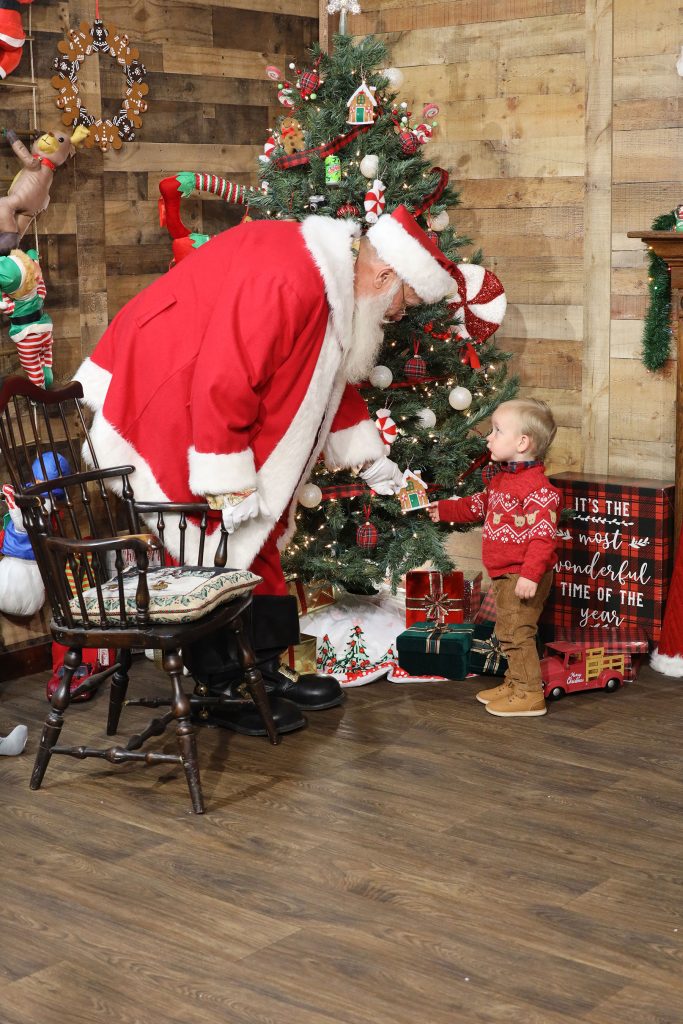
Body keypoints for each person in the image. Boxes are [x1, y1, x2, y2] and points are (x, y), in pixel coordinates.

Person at [74, 205, 457, 733]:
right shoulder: (290, 276)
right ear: (386, 274)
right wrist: (226, 481)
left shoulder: (335, 281)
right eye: (406, 300)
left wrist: (370, 460)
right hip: (167, 395)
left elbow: (327, 380)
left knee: (264, 530)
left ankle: (263, 667)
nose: (400, 314)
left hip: (204, 399)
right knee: (210, 539)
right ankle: (226, 684)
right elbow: (224, 375)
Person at [428, 398, 561, 717]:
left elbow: (543, 537)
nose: (488, 437)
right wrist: (445, 509)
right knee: (508, 630)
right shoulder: (503, 479)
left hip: (522, 575)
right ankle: (516, 681)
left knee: (517, 632)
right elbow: (478, 505)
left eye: (497, 431)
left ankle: (530, 693)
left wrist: (530, 575)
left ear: (522, 443)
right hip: (506, 573)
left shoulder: (538, 489)